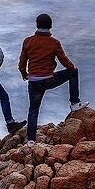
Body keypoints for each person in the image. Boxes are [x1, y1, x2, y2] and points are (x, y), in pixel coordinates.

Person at [19, 12, 80, 142]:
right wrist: (72, 67)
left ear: (37, 24)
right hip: (48, 79)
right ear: (50, 26)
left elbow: (22, 61)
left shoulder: (28, 41)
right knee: (73, 72)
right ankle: (74, 102)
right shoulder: (54, 43)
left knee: (33, 110)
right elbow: (64, 61)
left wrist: (24, 74)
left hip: (34, 81)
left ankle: (31, 140)